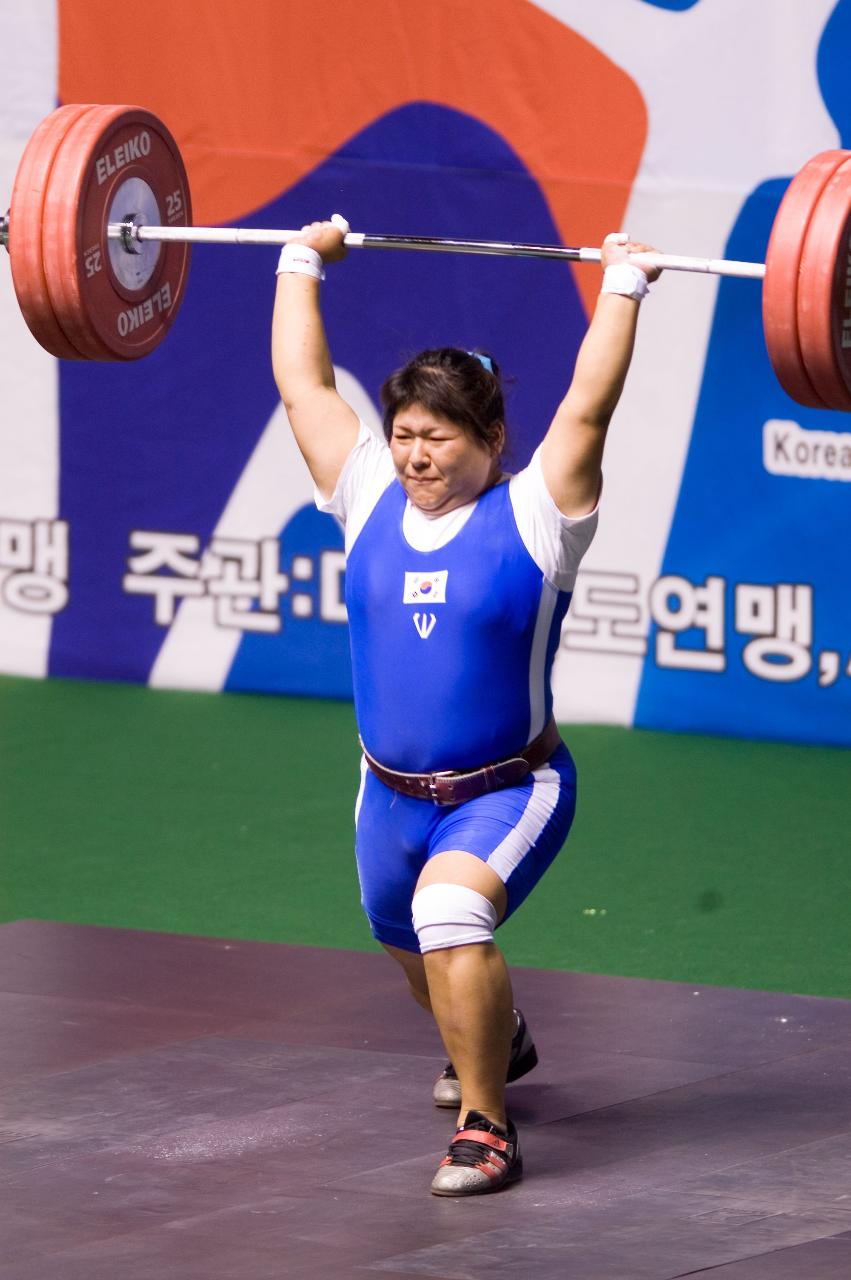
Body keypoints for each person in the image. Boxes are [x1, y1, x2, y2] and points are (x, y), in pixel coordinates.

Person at [271, 221, 658, 1196]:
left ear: (489, 439)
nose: (412, 452)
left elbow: (587, 407)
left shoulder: (534, 513)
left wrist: (622, 287)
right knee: (408, 939)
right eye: (401, 433)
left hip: (507, 786)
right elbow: (306, 389)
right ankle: (500, 1033)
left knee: (449, 911)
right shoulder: (364, 494)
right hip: (386, 793)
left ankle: (486, 1126)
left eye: (435, 436)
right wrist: (298, 261)